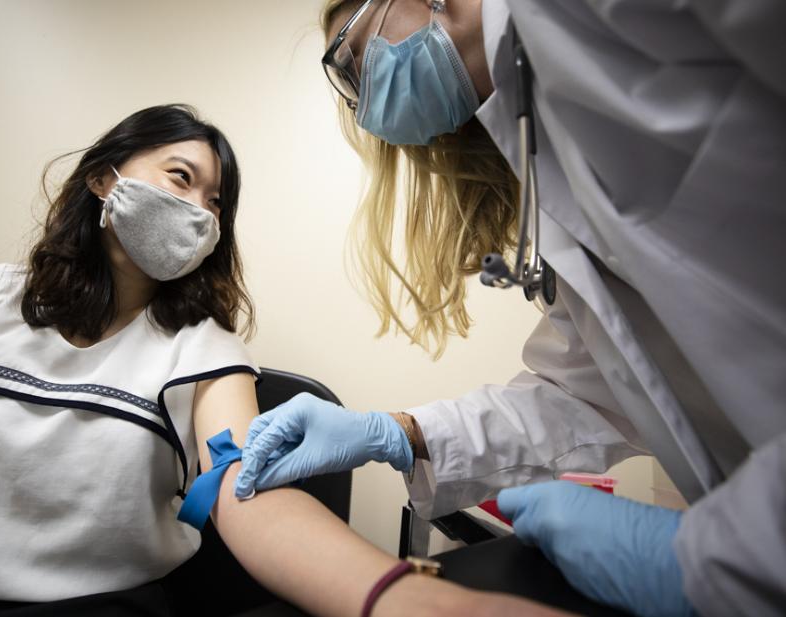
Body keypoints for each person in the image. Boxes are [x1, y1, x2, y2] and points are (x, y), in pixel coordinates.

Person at [0, 104, 570, 617]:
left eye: (216, 201)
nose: (200, 210)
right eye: (179, 177)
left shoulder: (204, 347)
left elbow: (246, 493)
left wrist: (401, 595)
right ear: (106, 180)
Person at [236, 2, 786, 617]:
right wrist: (398, 433)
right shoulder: (537, 140)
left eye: (356, 59)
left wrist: (715, 557)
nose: (366, 102)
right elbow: (589, 392)